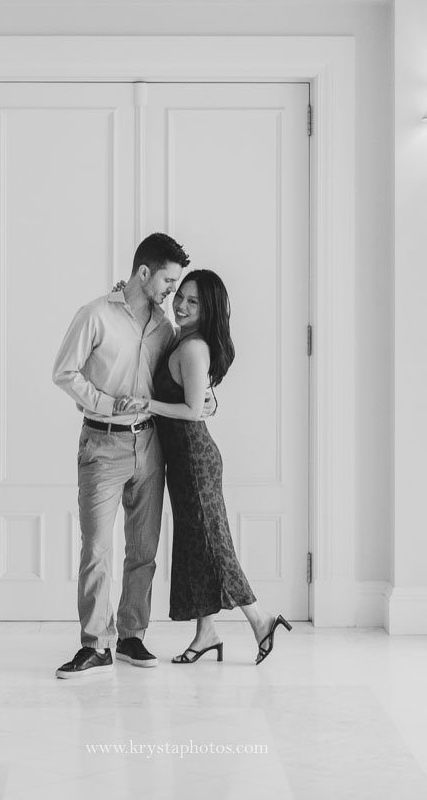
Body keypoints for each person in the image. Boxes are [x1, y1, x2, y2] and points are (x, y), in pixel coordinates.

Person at [50, 232, 201, 679]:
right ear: (143, 273)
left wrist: (204, 396)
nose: (172, 294)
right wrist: (103, 403)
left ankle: (132, 635)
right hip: (102, 444)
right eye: (168, 283)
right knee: (96, 548)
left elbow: (177, 377)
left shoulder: (165, 327)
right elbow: (64, 372)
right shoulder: (94, 315)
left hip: (151, 444)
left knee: (144, 549)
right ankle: (96, 644)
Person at [140, 270, 291, 665]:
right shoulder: (183, 340)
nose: (182, 306)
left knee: (214, 544)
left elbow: (191, 411)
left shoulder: (193, 348)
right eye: (181, 297)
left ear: (207, 311)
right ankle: (206, 633)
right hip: (184, 457)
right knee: (195, 546)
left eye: (193, 302)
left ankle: (261, 620)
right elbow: (202, 400)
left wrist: (147, 405)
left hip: (195, 459)